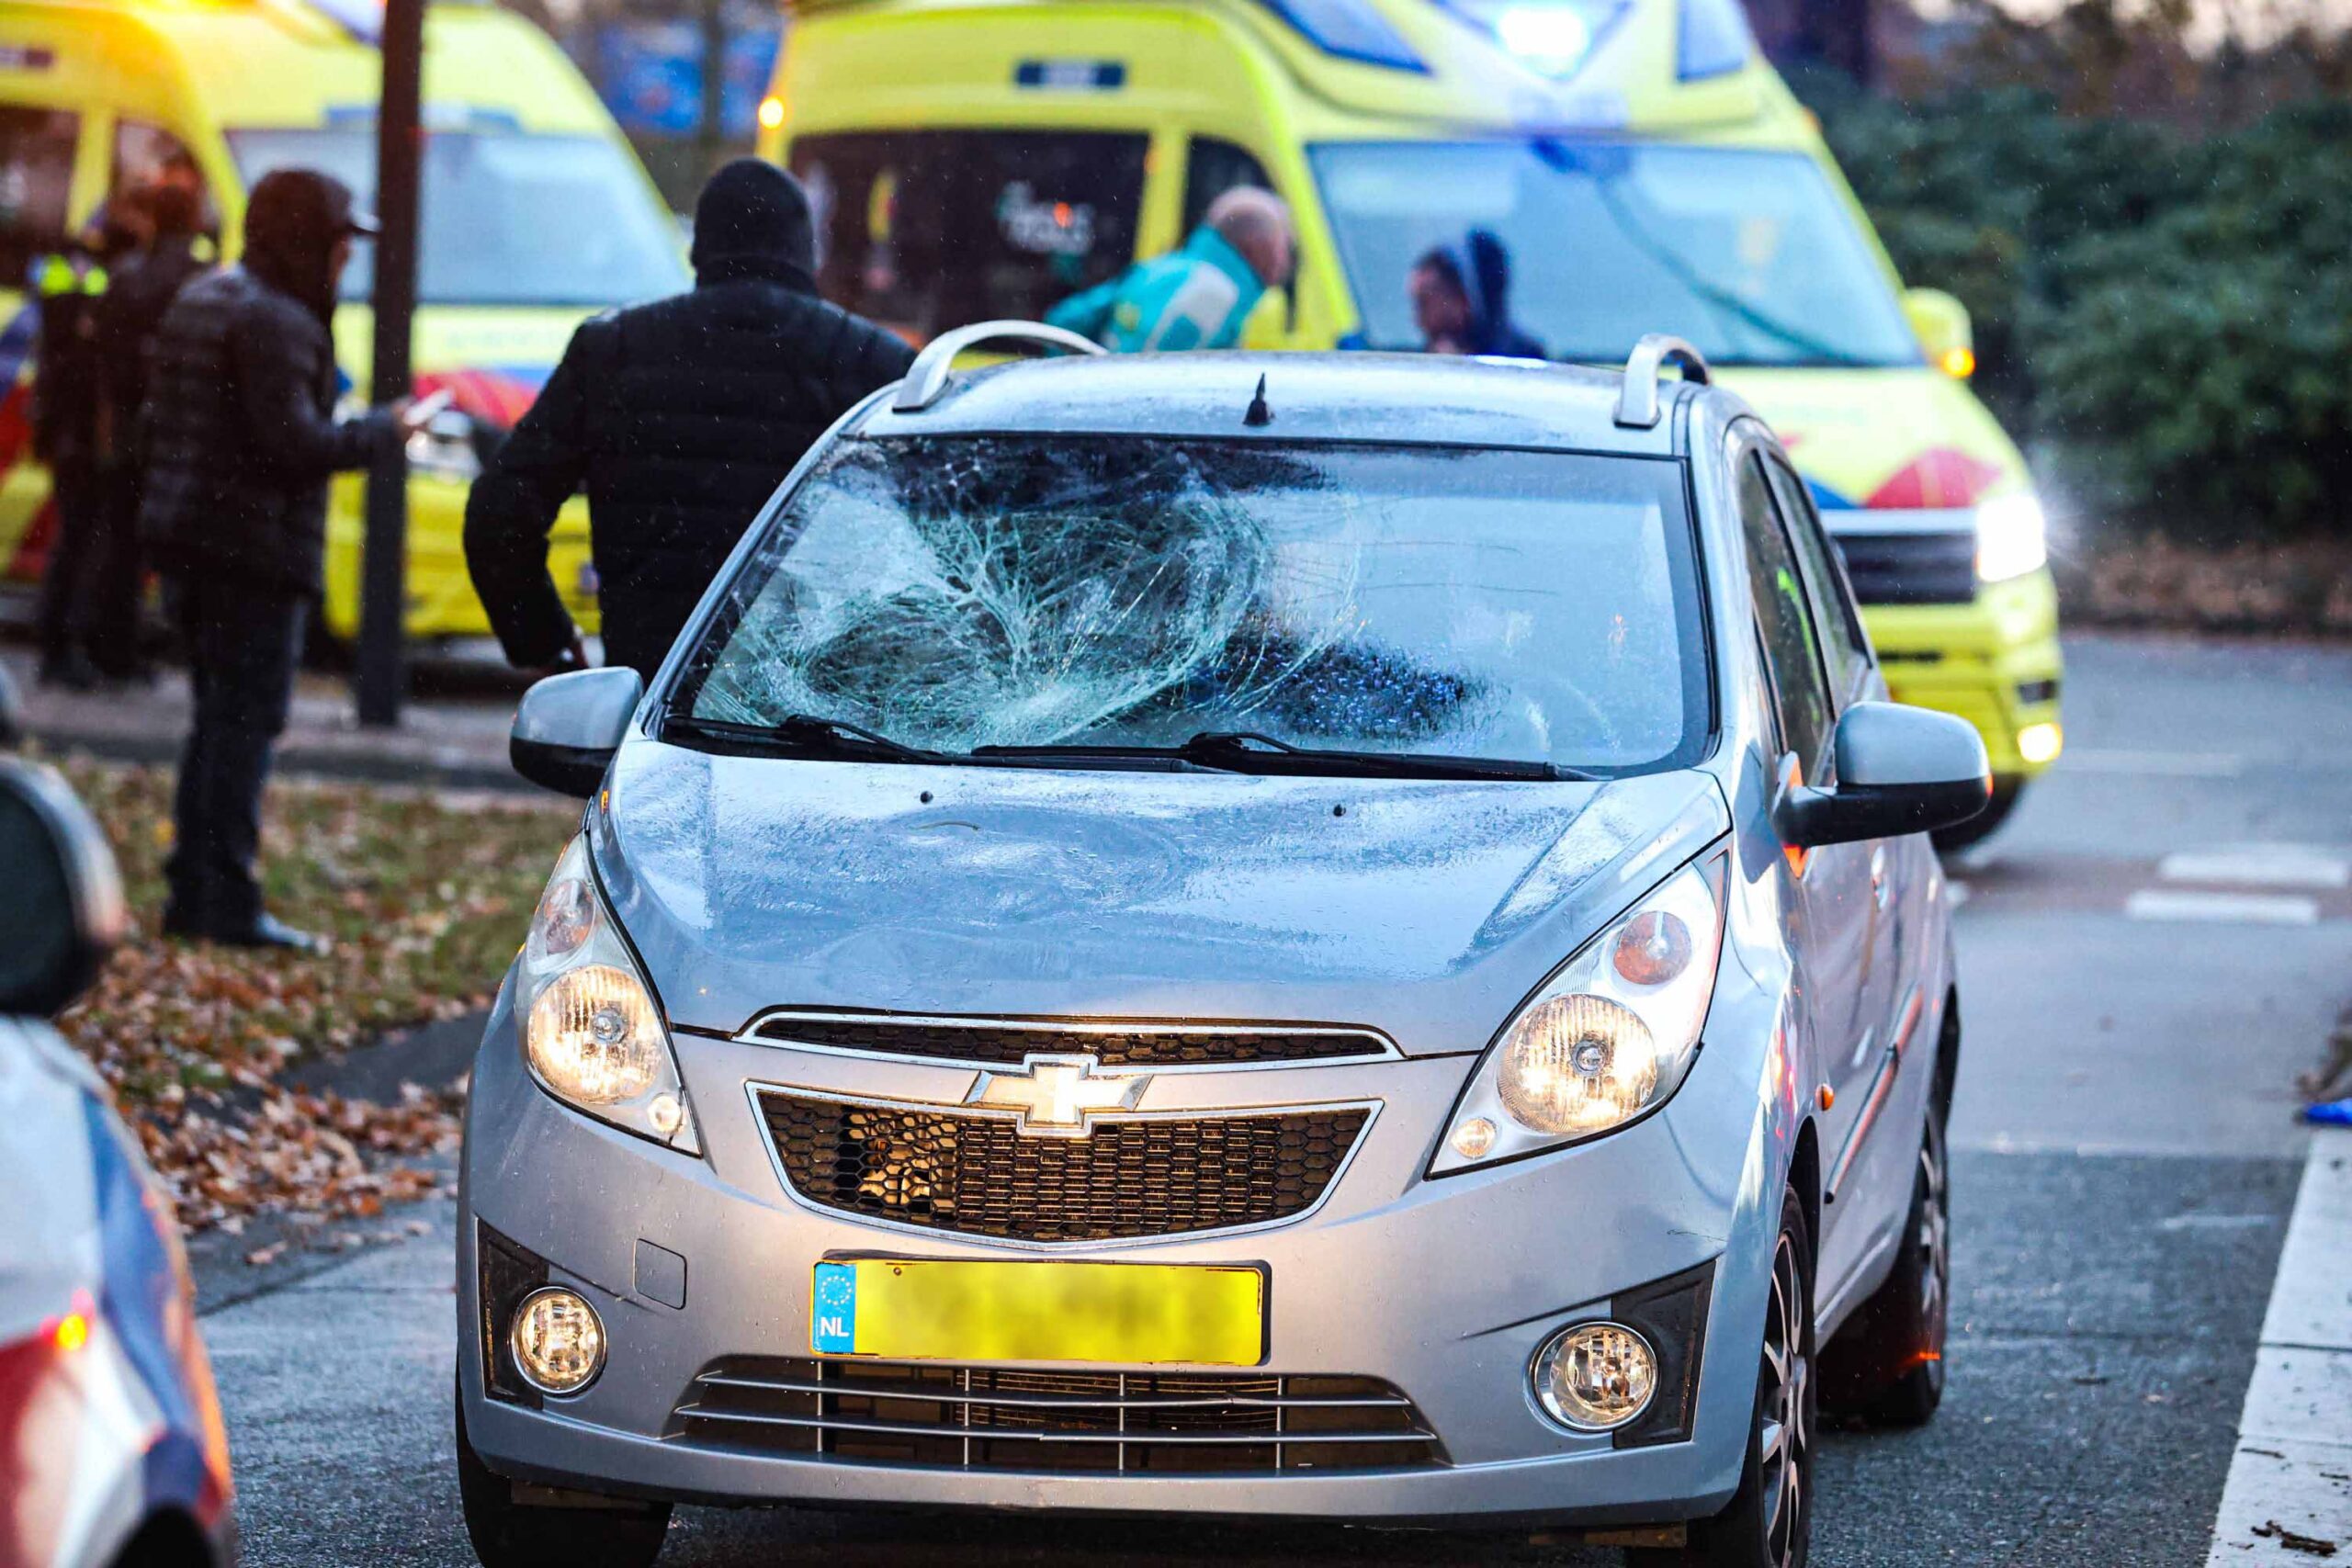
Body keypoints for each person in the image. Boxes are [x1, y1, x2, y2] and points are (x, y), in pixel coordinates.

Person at [465, 159, 917, 683]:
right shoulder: (873, 363)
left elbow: (499, 515)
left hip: (656, 699)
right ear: (806, 253)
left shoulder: (614, 352)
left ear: (699, 250)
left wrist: (547, 645)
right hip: (824, 713)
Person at [140, 168, 421, 951]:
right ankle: (223, 899)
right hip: (253, 556)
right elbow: (291, 445)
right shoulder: (281, 322)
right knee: (244, 728)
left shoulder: (206, 298)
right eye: (338, 246)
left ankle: (192, 890)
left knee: (212, 721)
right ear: (308, 242)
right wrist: (382, 432)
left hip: (191, 542)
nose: (344, 264)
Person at [91, 180, 215, 682]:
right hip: (180, 433)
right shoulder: (202, 279)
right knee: (175, 546)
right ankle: (163, 645)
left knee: (119, 544)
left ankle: (113, 648)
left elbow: (104, 355)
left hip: (125, 425)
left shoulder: (125, 275)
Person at [28, 215, 136, 691]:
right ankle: (59, 649)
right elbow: (74, 363)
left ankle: (64, 647)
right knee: (77, 542)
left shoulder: (78, 274)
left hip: (73, 433)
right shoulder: (86, 283)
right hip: (79, 436)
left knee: (79, 541)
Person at [1045, 186, 1294, 354]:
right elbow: (1157, 382)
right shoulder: (1214, 293)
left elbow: (1066, 319)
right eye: (1284, 247)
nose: (1286, 261)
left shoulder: (1165, 268)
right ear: (1257, 245)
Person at [1409, 229, 1544, 361]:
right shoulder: (1419, 367)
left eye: (1424, 303)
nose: (1419, 320)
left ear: (1463, 299)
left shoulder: (1525, 364)